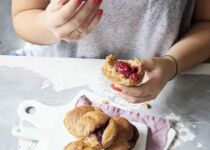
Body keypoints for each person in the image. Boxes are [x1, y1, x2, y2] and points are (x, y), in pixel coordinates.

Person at [12, 0, 210, 103]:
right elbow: (23, 14)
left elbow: (206, 23)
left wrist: (171, 63)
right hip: (55, 79)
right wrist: (49, 25)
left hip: (165, 84)